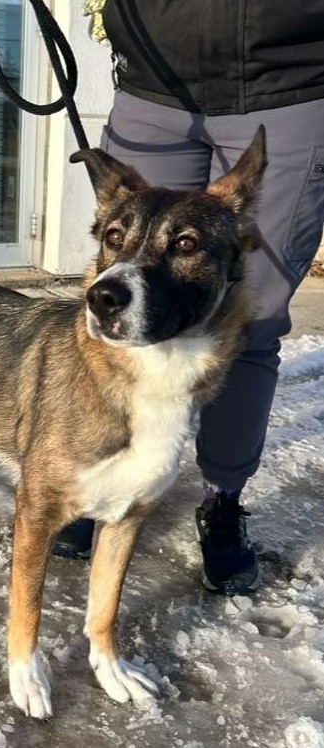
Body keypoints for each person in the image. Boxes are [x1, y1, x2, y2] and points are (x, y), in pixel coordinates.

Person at [53, 0, 324, 595]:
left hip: (288, 75)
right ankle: (99, 475)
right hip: (155, 69)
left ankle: (221, 498)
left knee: (250, 324)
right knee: (122, 295)